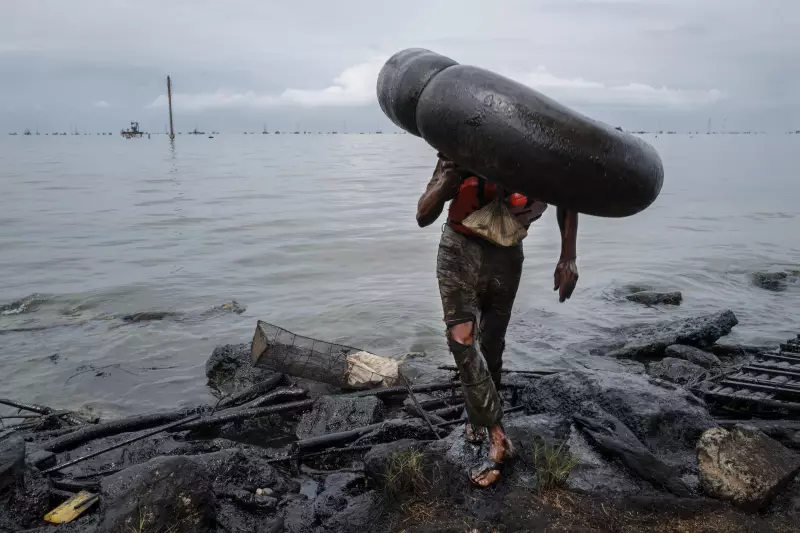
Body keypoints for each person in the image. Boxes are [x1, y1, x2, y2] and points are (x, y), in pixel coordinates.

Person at [416, 154, 579, 487]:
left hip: (507, 253)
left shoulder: (536, 158)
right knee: (462, 339)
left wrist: (568, 257)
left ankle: (478, 416)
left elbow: (569, 199)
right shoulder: (458, 152)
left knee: (492, 342)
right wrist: (449, 178)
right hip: (459, 248)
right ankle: (497, 434)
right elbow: (423, 215)